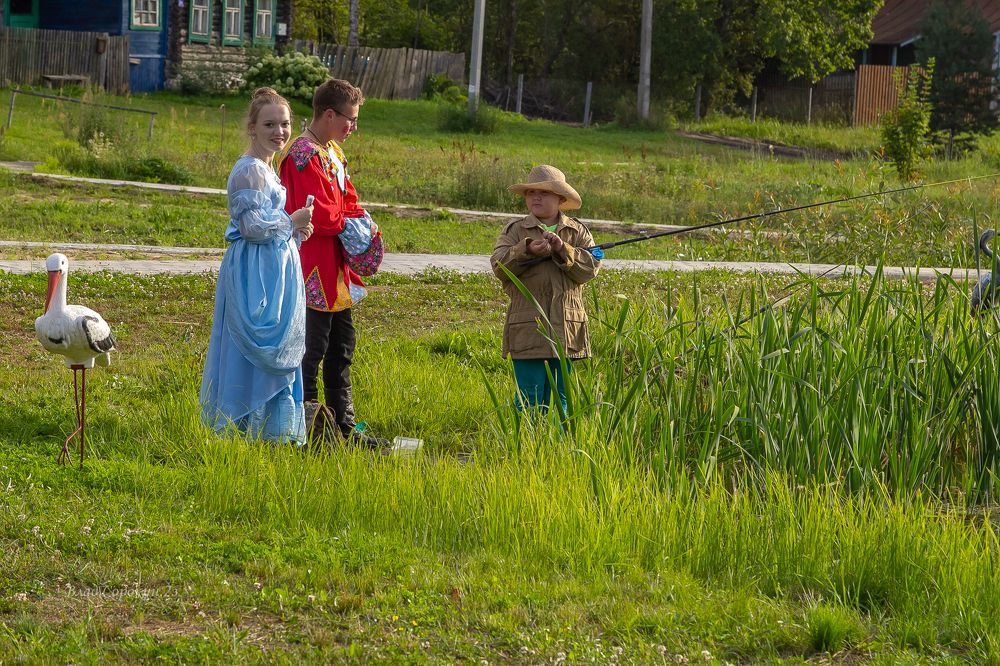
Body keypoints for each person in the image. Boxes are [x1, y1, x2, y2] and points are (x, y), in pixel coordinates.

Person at [200, 87, 315, 444]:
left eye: (284, 124)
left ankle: (269, 430)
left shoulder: (267, 167)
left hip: (272, 267)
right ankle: (244, 426)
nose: (279, 131)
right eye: (269, 124)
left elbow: (268, 222)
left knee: (275, 340)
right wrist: (290, 221)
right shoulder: (249, 170)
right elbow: (250, 229)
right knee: (251, 341)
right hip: (253, 272)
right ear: (252, 127)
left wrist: (295, 230)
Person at [278, 78, 386, 448]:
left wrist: (354, 219)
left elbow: (350, 200)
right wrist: (351, 221)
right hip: (313, 266)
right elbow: (319, 216)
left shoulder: (333, 152)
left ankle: (345, 428)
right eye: (350, 119)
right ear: (328, 113)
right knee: (312, 349)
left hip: (337, 269)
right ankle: (308, 428)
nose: (353, 126)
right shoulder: (302, 155)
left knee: (342, 347)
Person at [491, 165, 601, 415]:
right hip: (528, 325)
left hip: (566, 327)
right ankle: (525, 447)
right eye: (530, 192)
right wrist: (527, 250)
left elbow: (591, 267)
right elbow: (499, 266)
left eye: (544, 193)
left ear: (561, 199)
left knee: (563, 400)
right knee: (529, 399)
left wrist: (565, 250)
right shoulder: (516, 230)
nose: (535, 197)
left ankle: (559, 448)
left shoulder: (578, 231)